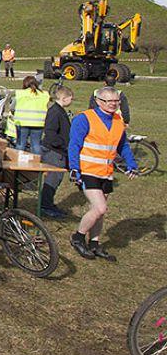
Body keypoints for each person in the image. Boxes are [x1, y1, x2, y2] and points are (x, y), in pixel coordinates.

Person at [67, 86, 137, 261]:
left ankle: (95, 243)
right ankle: (78, 237)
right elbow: (74, 145)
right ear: (98, 101)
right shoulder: (84, 119)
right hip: (87, 171)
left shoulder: (118, 120)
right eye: (109, 101)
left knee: (99, 212)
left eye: (116, 101)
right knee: (100, 207)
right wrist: (74, 168)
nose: (113, 104)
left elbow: (123, 145)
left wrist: (131, 164)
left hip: (106, 172)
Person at [39, 85, 74, 219]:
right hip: (54, 152)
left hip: (58, 151)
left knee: (56, 180)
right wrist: (62, 145)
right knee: (52, 180)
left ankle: (48, 203)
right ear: (64, 98)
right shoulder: (55, 112)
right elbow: (50, 133)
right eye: (71, 98)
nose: (71, 101)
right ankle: (45, 206)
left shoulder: (59, 111)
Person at [13, 75, 50, 154]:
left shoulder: (20, 93)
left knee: (20, 144)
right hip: (38, 123)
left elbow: (12, 107)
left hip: (22, 123)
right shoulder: (44, 94)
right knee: (36, 145)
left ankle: (18, 162)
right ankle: (36, 162)